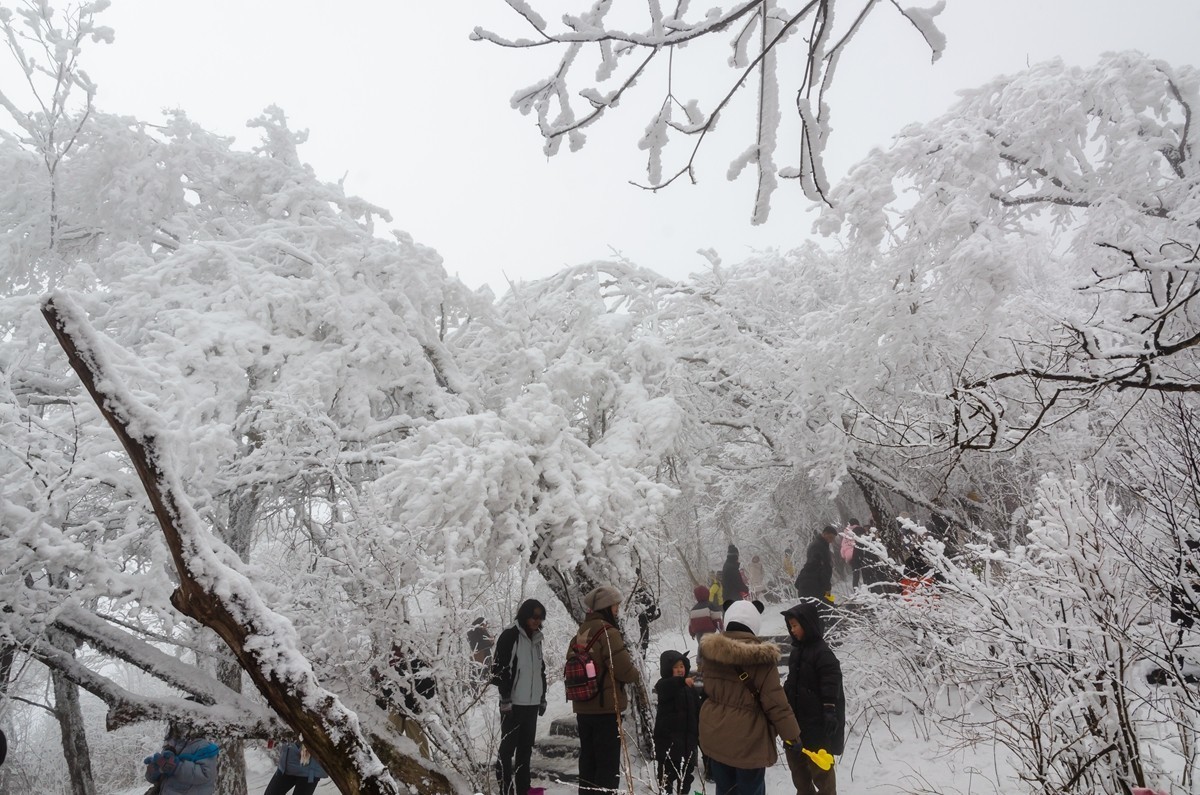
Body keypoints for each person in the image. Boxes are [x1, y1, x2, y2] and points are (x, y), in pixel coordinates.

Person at [698, 600, 800, 795]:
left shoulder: (709, 654)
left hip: (715, 734)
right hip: (748, 741)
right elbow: (776, 704)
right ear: (754, 623)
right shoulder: (762, 660)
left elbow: (709, 691)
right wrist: (792, 736)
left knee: (725, 790)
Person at [570, 584, 641, 795]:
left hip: (583, 707)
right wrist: (635, 674)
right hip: (605, 708)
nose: (617, 610)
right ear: (606, 608)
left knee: (588, 761)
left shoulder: (580, 633)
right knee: (607, 764)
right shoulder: (608, 632)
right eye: (615, 606)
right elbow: (623, 670)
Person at [781, 601, 846, 795]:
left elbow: (830, 684)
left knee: (822, 772)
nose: (792, 630)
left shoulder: (823, 653)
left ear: (808, 625)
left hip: (818, 726)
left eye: (795, 626)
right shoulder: (796, 653)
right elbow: (791, 683)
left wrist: (829, 709)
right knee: (798, 771)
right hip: (796, 724)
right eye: (790, 626)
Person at [491, 599, 548, 795]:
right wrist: (505, 698)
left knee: (525, 749)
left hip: (531, 703)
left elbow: (540, 670)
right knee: (507, 751)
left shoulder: (537, 638)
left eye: (540, 617)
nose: (536, 621)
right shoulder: (510, 635)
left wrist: (542, 697)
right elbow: (499, 670)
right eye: (534, 616)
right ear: (524, 615)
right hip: (513, 704)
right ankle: (506, 790)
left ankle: (524, 789)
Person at [374, 641, 437, 758]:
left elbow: (429, 687)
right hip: (398, 707)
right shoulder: (391, 662)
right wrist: (379, 680)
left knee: (418, 746)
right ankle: (393, 766)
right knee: (390, 741)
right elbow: (388, 689)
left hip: (414, 710)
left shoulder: (416, 661)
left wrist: (417, 702)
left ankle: (426, 771)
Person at [653, 650, 701, 795]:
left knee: (686, 780)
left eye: (682, 666)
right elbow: (667, 686)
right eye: (676, 667)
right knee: (666, 780)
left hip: (687, 744)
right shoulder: (664, 686)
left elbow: (697, 712)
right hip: (668, 744)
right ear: (668, 669)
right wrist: (682, 681)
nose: (680, 670)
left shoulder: (689, 688)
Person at [143, 710, 220, 795]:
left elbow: (205, 774)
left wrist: (177, 767)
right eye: (178, 719)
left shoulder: (203, 745)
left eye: (186, 718)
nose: (180, 723)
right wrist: (156, 770)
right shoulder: (172, 742)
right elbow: (164, 777)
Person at [795, 526, 838, 604]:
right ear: (825, 534)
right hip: (814, 586)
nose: (832, 541)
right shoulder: (819, 546)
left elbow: (797, 585)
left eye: (833, 538)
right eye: (831, 537)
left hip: (808, 586)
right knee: (827, 608)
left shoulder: (819, 544)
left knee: (827, 606)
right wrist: (827, 588)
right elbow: (825, 569)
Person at [631, 583, 662, 657]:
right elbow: (656, 613)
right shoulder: (633, 595)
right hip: (636, 637)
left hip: (641, 636)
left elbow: (657, 613)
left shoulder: (643, 595)